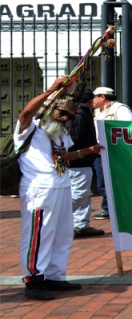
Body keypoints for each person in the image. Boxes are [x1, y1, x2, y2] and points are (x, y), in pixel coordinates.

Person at [15, 79, 103, 300]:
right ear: (51, 110)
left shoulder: (61, 134)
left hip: (62, 185)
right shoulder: (30, 128)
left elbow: (63, 158)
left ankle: (54, 276)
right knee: (39, 234)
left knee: (62, 234)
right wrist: (52, 90)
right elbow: (26, 112)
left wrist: (87, 151)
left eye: (69, 116)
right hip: (39, 188)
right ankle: (33, 280)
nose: (65, 118)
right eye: (61, 113)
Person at [92, 87, 132, 220]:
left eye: (95, 96)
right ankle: (108, 208)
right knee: (102, 183)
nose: (93, 99)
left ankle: (118, 208)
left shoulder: (120, 109)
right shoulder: (98, 111)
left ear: (103, 97)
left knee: (115, 181)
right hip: (100, 151)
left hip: (114, 152)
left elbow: (126, 129)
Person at [69, 89, 104, 238]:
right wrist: (87, 150)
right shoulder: (80, 114)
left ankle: (82, 225)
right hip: (79, 161)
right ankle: (58, 217)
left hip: (83, 159)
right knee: (79, 194)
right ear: (90, 100)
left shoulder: (83, 113)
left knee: (86, 195)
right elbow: (74, 139)